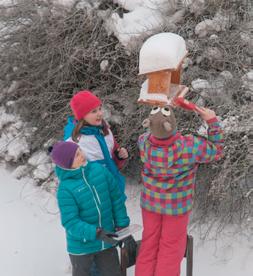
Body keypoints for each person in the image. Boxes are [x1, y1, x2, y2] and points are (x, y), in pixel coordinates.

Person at [135, 105, 224, 276]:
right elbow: (217, 149)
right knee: (171, 248)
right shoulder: (190, 147)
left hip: (150, 204)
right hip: (177, 207)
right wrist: (212, 121)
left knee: (149, 244)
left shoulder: (143, 143)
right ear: (172, 125)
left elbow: (152, 133)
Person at [51, 141, 130, 276]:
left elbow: (116, 199)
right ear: (67, 164)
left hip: (107, 242)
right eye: (76, 155)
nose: (82, 155)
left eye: (80, 150)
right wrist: (96, 233)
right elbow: (71, 222)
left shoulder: (99, 170)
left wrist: (122, 225)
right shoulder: (65, 189)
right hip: (82, 248)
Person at [64, 90, 128, 201]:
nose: (100, 113)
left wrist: (119, 156)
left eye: (99, 108)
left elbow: (113, 160)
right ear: (82, 116)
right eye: (94, 111)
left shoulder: (106, 131)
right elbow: (70, 175)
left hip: (113, 189)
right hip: (93, 197)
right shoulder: (74, 141)